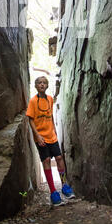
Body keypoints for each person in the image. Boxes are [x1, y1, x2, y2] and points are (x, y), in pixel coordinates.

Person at [26, 76, 75, 206]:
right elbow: (30, 119)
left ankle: (64, 186)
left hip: (51, 135)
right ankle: (53, 192)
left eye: (44, 83)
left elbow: (50, 115)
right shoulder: (32, 101)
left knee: (59, 158)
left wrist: (54, 130)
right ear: (36, 86)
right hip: (40, 137)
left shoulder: (50, 99)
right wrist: (37, 136)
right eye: (39, 83)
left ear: (47, 86)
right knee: (46, 160)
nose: (42, 85)